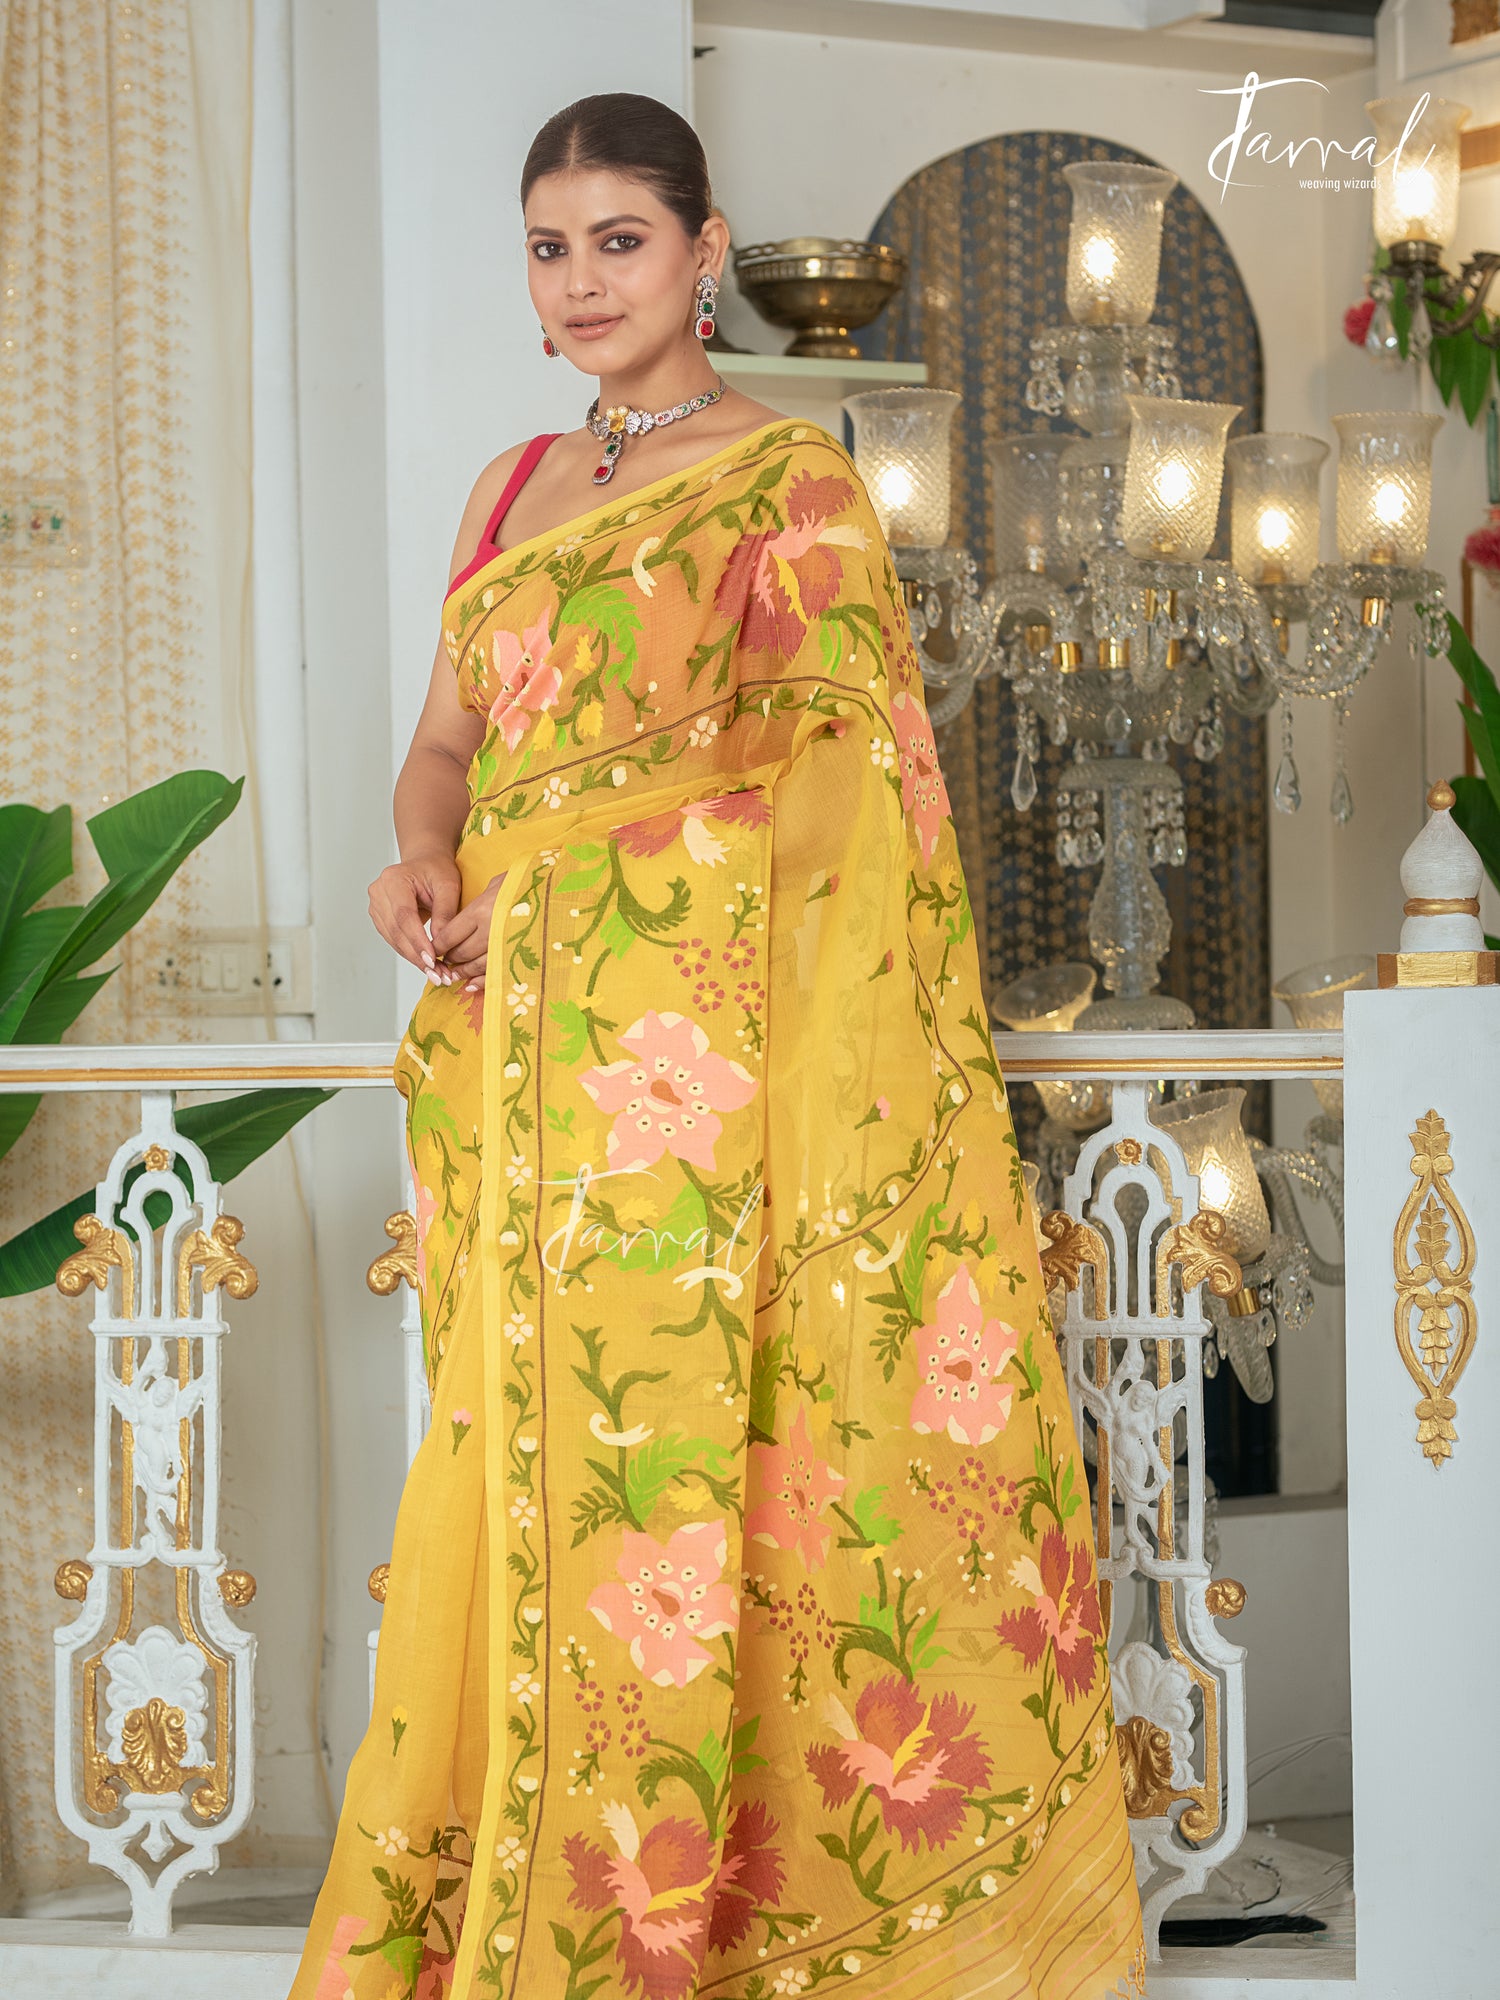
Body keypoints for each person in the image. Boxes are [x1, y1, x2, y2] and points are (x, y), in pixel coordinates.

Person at [291, 91, 1144, 2000]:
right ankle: (511, 1901)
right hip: (515, 1084)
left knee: (684, 1485)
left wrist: (578, 896)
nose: (580, 282)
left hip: (686, 1099)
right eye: (549, 247)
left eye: (620, 241)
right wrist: (418, 863)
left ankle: (684, 1924)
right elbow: (446, 749)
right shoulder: (508, 489)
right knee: (523, 1485)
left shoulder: (788, 484)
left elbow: (850, 802)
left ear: (703, 250)